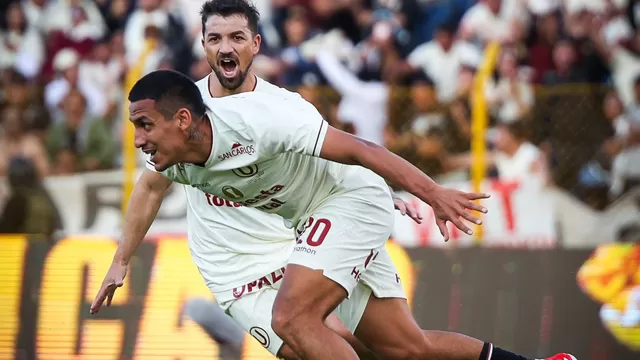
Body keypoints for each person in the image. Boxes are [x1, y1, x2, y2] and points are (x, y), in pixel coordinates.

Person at [93, 2, 576, 360]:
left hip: (344, 203)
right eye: (215, 38)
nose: (226, 47)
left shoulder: (270, 116)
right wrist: (120, 261)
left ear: (256, 44)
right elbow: (150, 187)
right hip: (306, 223)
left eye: (237, 37)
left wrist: (428, 193)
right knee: (404, 348)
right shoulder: (174, 128)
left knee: (292, 319)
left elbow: (360, 150)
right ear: (202, 45)